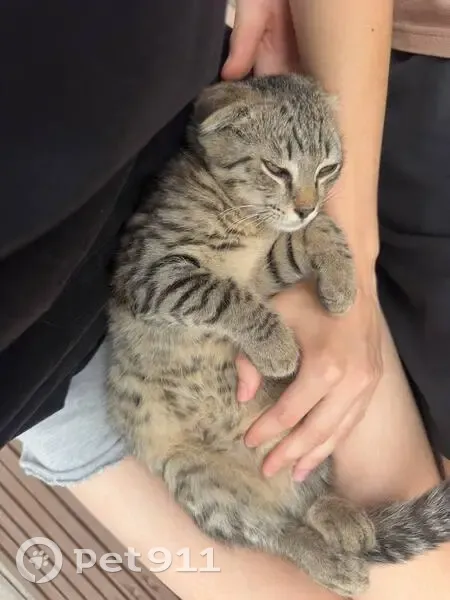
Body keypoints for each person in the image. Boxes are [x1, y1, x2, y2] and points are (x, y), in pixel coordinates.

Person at [1, 1, 450, 598]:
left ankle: (317, 510)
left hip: (196, 329)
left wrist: (344, 260)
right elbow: (155, 285)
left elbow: (264, 262)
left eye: (321, 177)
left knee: (418, 574)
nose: (306, 202)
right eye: (287, 179)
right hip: (101, 385)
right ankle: (293, 532)